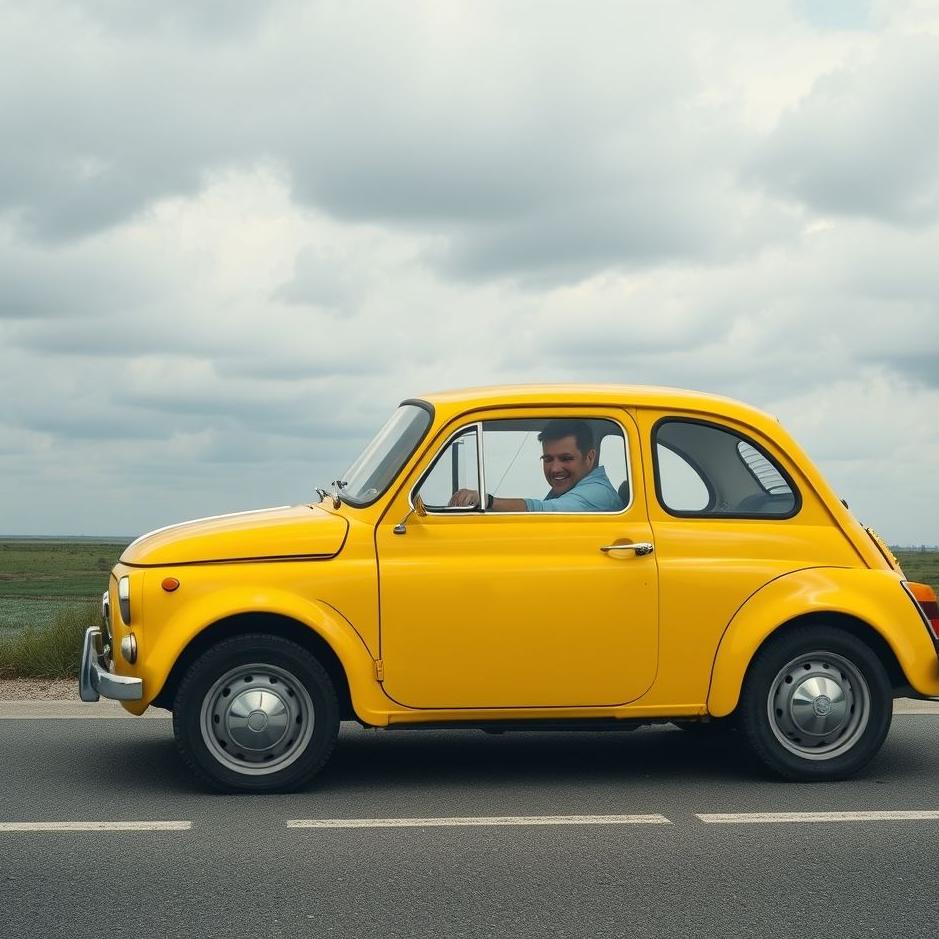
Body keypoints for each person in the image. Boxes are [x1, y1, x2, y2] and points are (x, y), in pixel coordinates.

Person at [449, 419, 624, 512]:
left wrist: (488, 500)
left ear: (589, 457)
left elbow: (547, 510)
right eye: (548, 459)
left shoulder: (598, 493)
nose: (555, 469)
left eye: (566, 458)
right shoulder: (569, 488)